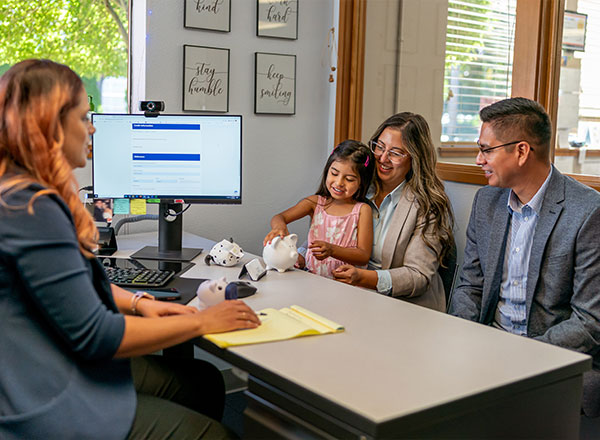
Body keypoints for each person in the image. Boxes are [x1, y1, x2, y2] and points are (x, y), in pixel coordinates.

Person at [0, 59, 260, 439]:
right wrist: (201, 322)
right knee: (217, 434)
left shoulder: (20, 194)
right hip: (47, 395)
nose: (91, 128)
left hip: (45, 359)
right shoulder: (32, 209)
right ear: (50, 126)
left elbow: (75, 288)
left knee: (203, 381)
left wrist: (140, 302)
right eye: (83, 117)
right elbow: (97, 336)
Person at [447, 97, 600, 418]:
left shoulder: (587, 212)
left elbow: (589, 322)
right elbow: (470, 287)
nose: (478, 160)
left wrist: (519, 356)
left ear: (521, 151)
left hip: (553, 362)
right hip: (488, 352)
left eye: (486, 150)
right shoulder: (487, 202)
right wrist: (467, 341)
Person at [332, 113, 454, 312]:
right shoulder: (356, 185)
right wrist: (301, 253)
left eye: (396, 153)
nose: (382, 158)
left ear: (415, 158)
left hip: (403, 306)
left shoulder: (427, 205)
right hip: (350, 296)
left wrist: (363, 278)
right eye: (379, 146)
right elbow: (326, 226)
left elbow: (418, 276)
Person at [264, 140, 374, 278]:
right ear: (327, 171)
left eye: (349, 179)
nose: (339, 183)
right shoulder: (315, 203)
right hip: (312, 280)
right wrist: (279, 227)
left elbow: (363, 256)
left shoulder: (362, 210)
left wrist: (332, 250)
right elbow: (279, 217)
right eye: (334, 173)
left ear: (362, 183)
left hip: (345, 285)